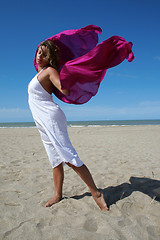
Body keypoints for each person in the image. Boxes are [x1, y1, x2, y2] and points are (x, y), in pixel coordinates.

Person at [28, 40, 109, 211]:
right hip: (41, 120)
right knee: (55, 159)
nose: (40, 56)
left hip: (50, 117)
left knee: (68, 156)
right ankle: (58, 195)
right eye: (38, 52)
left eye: (44, 53)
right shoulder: (39, 72)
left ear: (49, 57)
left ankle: (96, 193)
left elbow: (63, 89)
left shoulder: (50, 71)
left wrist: (71, 77)